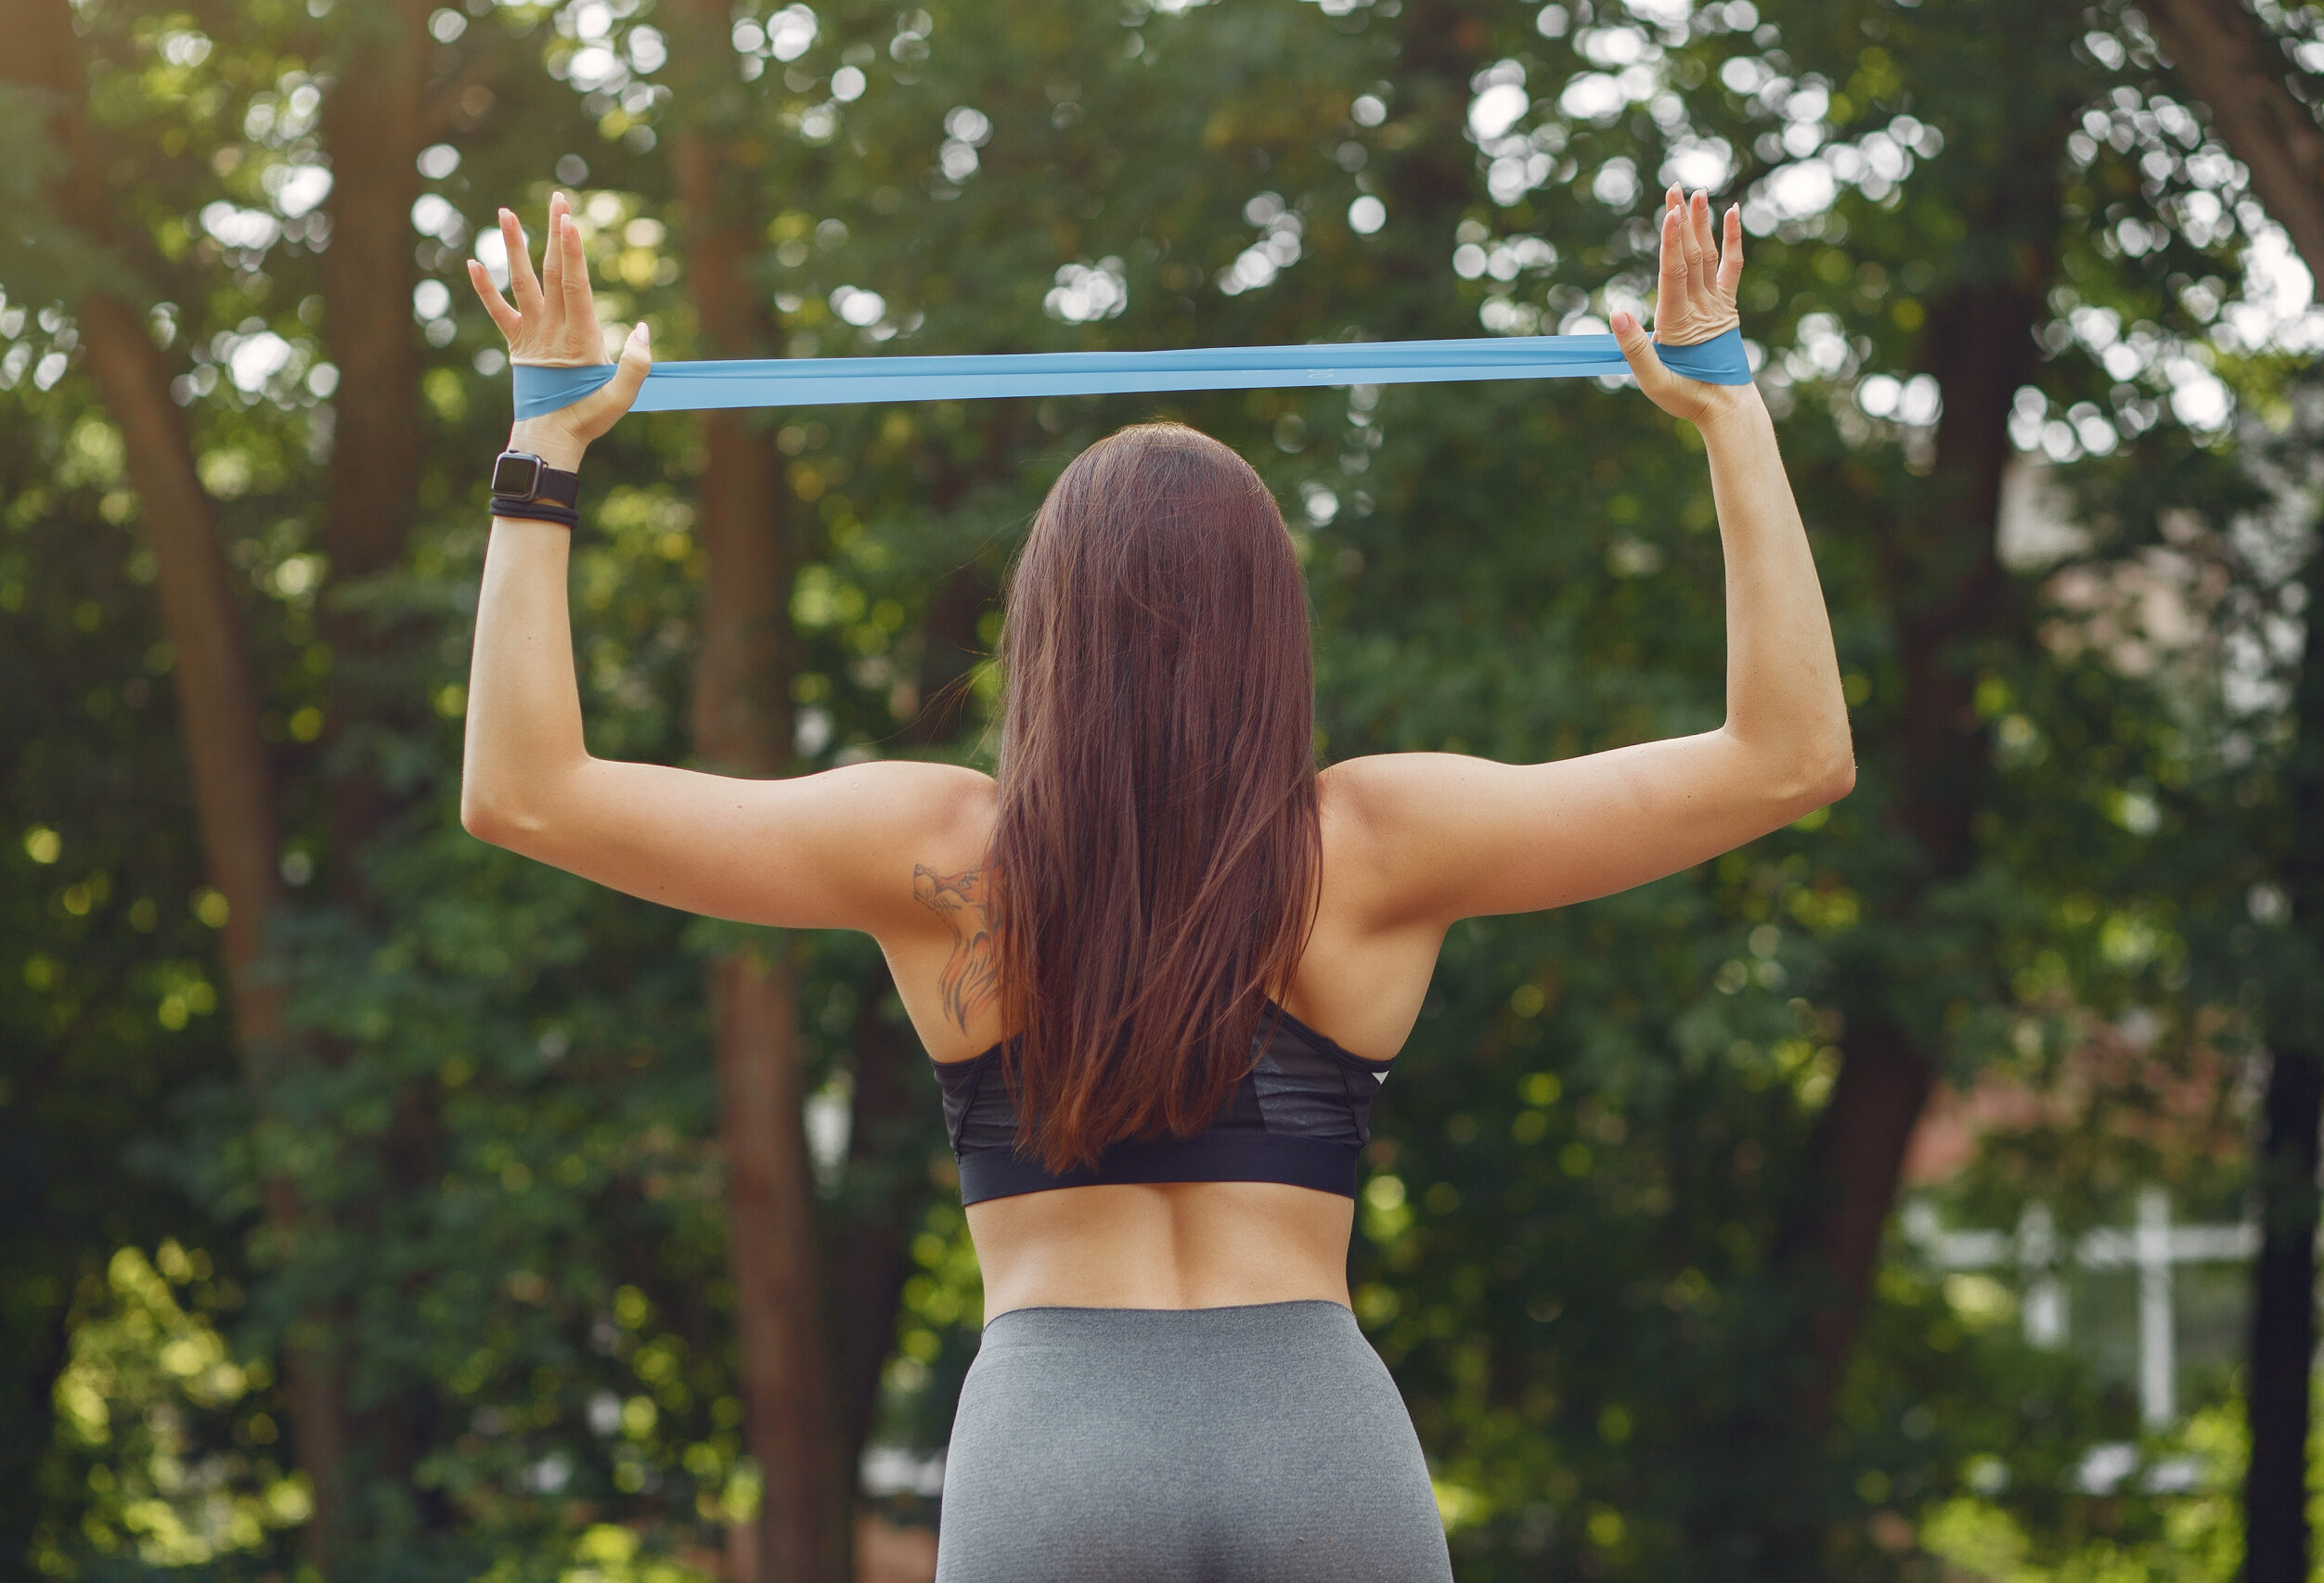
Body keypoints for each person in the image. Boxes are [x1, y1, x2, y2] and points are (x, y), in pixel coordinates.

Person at [462, 181, 1852, 1582]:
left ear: (1045, 626)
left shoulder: (943, 850)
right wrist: (1731, 407)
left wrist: (545, 444)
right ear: (1272, 629)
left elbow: (526, 793)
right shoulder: (1372, 842)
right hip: (1322, 1443)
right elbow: (1789, 760)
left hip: (1052, 1444)